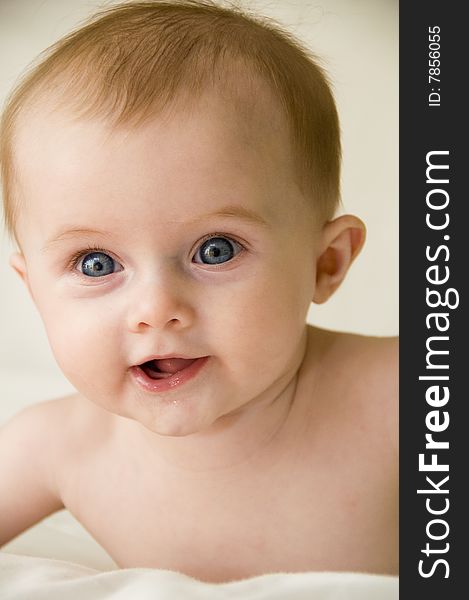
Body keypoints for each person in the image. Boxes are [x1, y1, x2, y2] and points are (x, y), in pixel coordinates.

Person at [0, 0, 398, 583]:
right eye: (95, 262)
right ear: (34, 290)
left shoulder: (405, 396)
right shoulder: (53, 447)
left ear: (324, 264)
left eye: (216, 250)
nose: (156, 309)